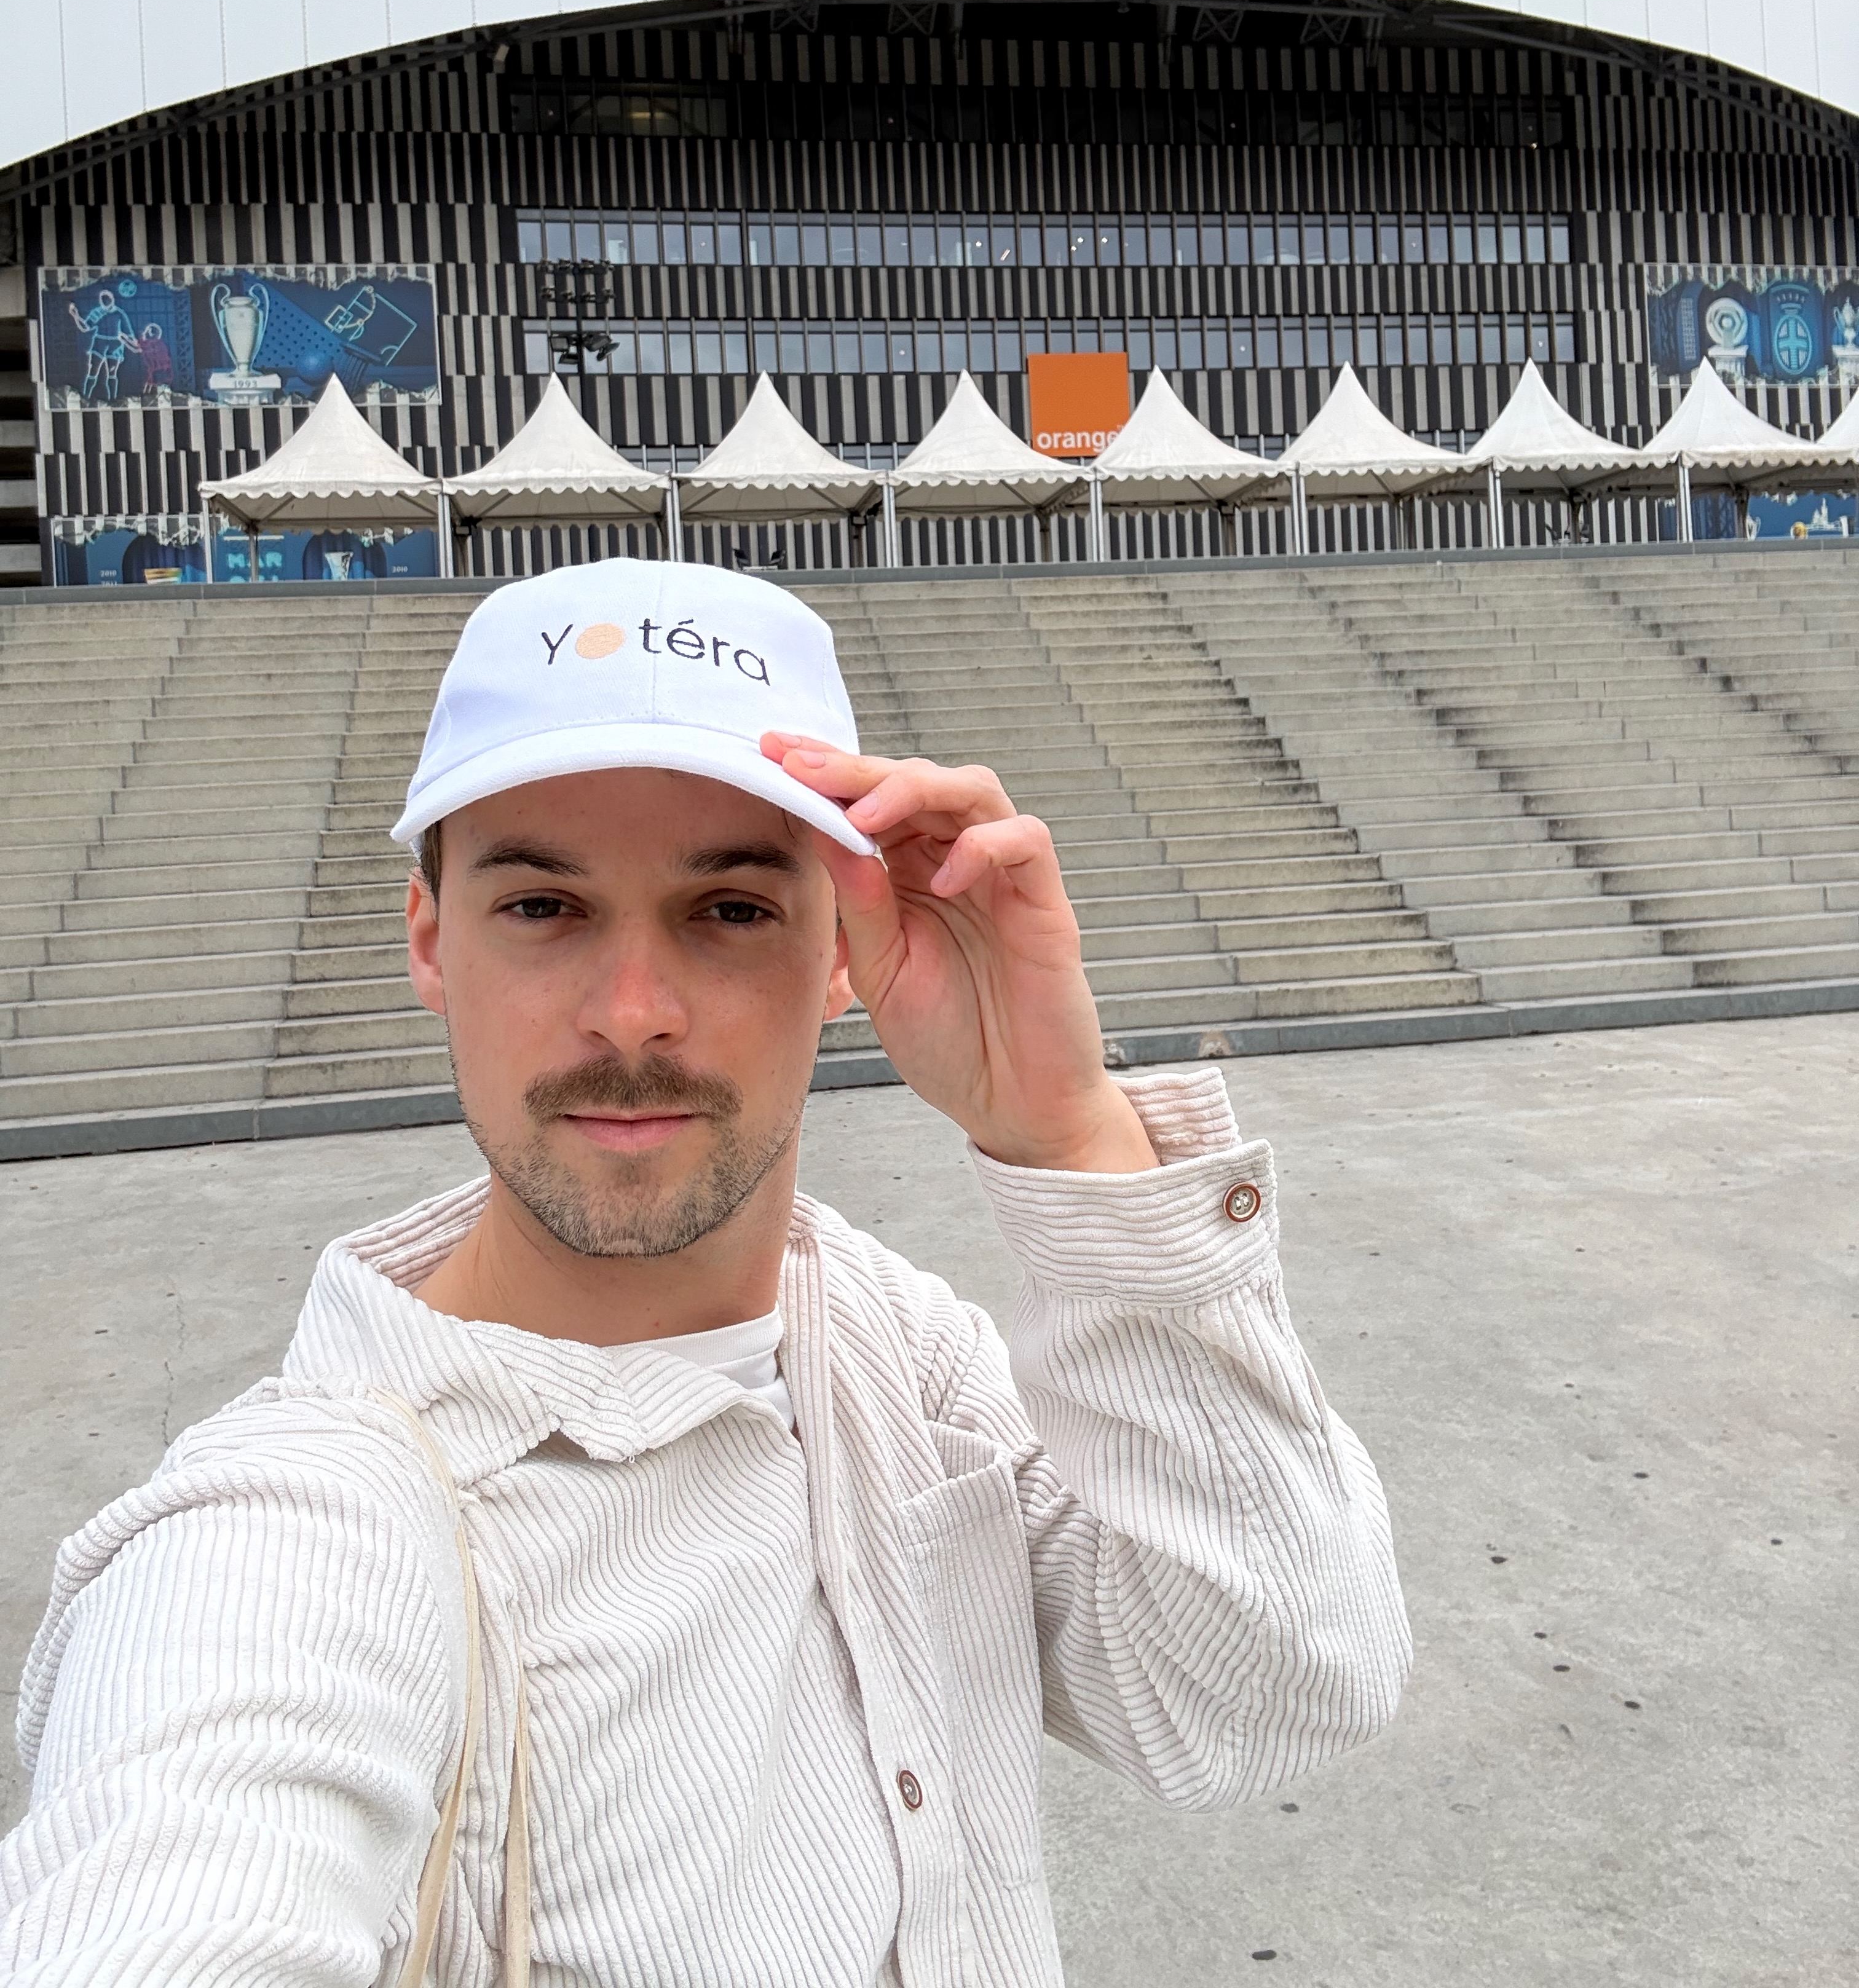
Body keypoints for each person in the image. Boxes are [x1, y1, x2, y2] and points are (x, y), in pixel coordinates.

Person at [1, 561, 1410, 1986]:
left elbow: (1273, 1693)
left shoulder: (886, 1345)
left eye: (730, 909)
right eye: (544, 907)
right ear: (434, 942)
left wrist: (1067, 1131)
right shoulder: (285, 1541)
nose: (634, 1014)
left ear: (846, 953)